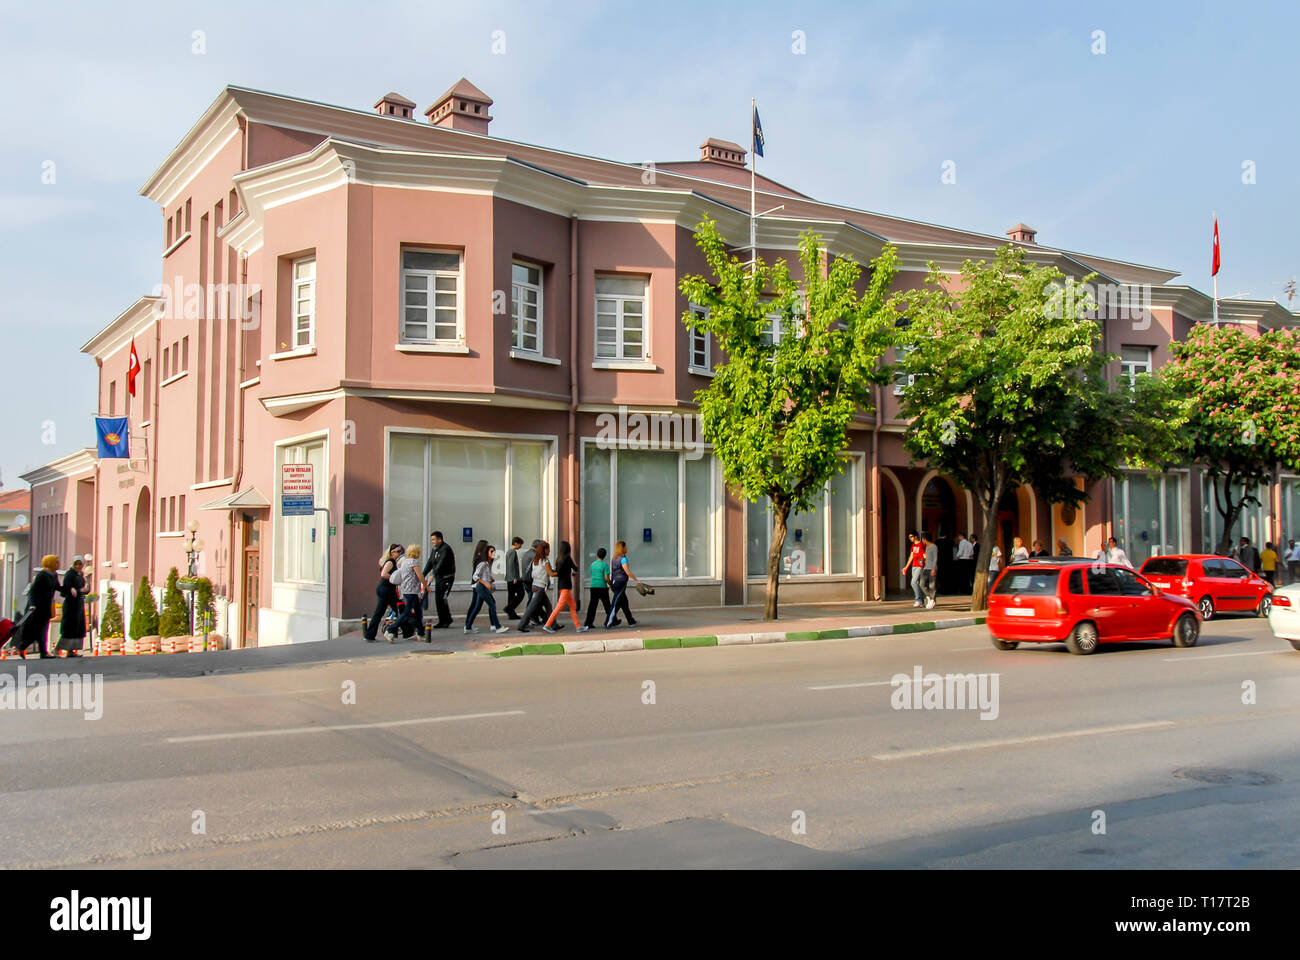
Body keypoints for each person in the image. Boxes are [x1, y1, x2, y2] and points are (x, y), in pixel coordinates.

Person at [13, 555, 59, 658]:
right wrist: (32, 604)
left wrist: (71, 590)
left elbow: (58, 587)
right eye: (56, 562)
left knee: (42, 629)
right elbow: (32, 591)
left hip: (47, 606)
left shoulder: (54, 575)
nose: (58, 564)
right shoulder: (42, 575)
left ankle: (27, 648)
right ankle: (36, 650)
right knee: (37, 629)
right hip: (37, 607)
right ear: (50, 563)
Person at [464, 542, 510, 634]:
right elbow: (475, 576)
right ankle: (497, 626)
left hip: (482, 587)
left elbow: (483, 575)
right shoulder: (483, 564)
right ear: (487, 552)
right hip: (481, 588)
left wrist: (490, 579)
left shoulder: (488, 564)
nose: (494, 553)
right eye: (491, 551)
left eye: (494, 551)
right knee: (492, 605)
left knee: (477, 607)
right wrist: (485, 583)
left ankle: (468, 626)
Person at [543, 540, 588, 634]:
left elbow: (558, 572)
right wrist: (572, 571)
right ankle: (547, 625)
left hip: (561, 584)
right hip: (566, 585)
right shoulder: (567, 558)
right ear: (568, 549)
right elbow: (575, 568)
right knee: (559, 607)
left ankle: (578, 626)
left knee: (572, 605)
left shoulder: (558, 558)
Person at [364, 544, 404, 641]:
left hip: (386, 589)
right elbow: (383, 574)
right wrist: (395, 579)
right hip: (386, 590)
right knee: (400, 609)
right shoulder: (390, 561)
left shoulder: (392, 561)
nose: (400, 553)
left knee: (383, 611)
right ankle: (406, 631)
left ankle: (370, 635)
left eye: (401, 551)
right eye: (398, 551)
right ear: (392, 552)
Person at [386, 544, 426, 641]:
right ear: (416, 552)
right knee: (407, 613)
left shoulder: (405, 562)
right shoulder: (413, 562)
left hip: (406, 590)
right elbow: (420, 576)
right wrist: (426, 586)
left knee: (418, 612)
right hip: (411, 591)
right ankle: (390, 630)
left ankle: (420, 633)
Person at [605, 540, 645, 628]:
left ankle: (631, 621)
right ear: (622, 548)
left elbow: (613, 572)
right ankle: (608, 622)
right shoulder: (623, 559)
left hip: (615, 582)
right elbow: (627, 571)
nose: (627, 548)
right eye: (625, 547)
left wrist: (611, 584)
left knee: (624, 603)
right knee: (615, 603)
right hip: (621, 583)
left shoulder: (614, 558)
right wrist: (636, 580)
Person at [518, 541, 555, 633]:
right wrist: (561, 572)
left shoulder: (536, 559)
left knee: (548, 606)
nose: (549, 551)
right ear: (544, 550)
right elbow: (551, 573)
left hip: (535, 584)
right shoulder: (545, 560)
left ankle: (553, 624)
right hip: (540, 587)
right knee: (532, 606)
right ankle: (521, 625)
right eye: (548, 549)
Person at [56, 557, 88, 656]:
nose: (78, 566)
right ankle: (58, 649)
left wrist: (85, 588)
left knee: (77, 628)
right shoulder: (69, 574)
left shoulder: (81, 575)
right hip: (71, 604)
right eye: (76, 564)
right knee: (69, 628)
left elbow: (84, 589)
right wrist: (75, 590)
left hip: (79, 603)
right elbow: (67, 588)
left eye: (80, 564)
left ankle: (71, 650)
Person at [426, 531, 456, 629]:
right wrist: (422, 575)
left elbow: (441, 564)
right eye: (431, 540)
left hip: (447, 578)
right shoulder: (435, 549)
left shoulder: (445, 549)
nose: (432, 542)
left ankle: (447, 620)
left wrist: (433, 575)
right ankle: (442, 620)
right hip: (439, 578)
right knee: (438, 600)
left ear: (440, 539)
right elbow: (430, 563)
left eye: (434, 539)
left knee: (442, 599)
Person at [585, 546, 613, 629]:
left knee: (592, 606)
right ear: (605, 556)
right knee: (607, 605)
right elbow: (606, 578)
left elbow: (592, 573)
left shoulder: (592, 564)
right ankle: (612, 620)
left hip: (593, 586)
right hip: (602, 587)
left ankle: (588, 623)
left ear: (597, 555)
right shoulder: (605, 565)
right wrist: (611, 584)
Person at [503, 536, 525, 620]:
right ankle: (509, 608)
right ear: (516, 543)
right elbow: (511, 565)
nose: (520, 546)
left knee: (511, 595)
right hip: (513, 578)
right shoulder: (513, 552)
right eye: (520, 544)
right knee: (521, 593)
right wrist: (515, 577)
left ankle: (511, 613)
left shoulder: (508, 551)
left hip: (509, 577)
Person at [902, 531, 926, 607]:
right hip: (914, 566)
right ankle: (922, 602)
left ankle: (918, 599)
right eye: (909, 537)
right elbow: (911, 557)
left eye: (911, 536)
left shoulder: (921, 545)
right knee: (918, 583)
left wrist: (924, 563)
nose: (910, 538)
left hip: (920, 565)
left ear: (916, 536)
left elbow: (925, 555)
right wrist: (906, 567)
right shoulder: (913, 546)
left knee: (913, 582)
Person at [921, 533, 939, 610]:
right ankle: (929, 597)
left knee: (932, 586)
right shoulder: (926, 547)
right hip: (926, 568)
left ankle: (932, 601)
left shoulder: (934, 547)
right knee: (922, 584)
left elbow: (935, 558)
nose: (922, 540)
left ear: (925, 539)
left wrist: (934, 568)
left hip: (932, 568)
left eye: (922, 538)